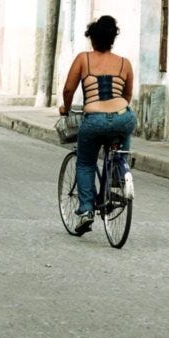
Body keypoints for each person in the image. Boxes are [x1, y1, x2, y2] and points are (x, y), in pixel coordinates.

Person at [58, 15, 136, 235]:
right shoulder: (125, 63)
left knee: (85, 163)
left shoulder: (84, 59)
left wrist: (65, 108)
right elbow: (127, 95)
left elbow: (68, 89)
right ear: (112, 39)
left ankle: (86, 210)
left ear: (92, 39)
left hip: (94, 120)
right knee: (120, 149)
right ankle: (117, 177)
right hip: (123, 116)